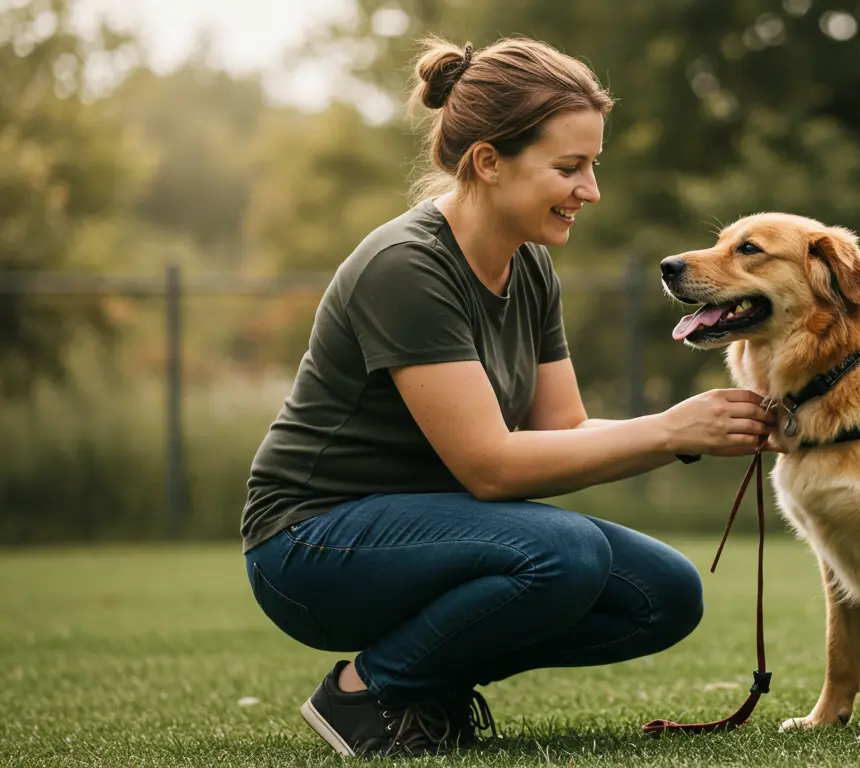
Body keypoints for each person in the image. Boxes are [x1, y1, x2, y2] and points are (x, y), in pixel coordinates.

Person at [240, 35, 777, 758]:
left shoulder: (529, 268)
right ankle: (367, 694)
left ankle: (430, 684)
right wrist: (671, 431)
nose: (591, 190)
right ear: (488, 162)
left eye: (592, 165)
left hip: (432, 533)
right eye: (569, 167)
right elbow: (490, 468)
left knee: (665, 595)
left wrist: (699, 427)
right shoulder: (405, 266)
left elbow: (564, 431)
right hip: (310, 543)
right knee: (570, 553)